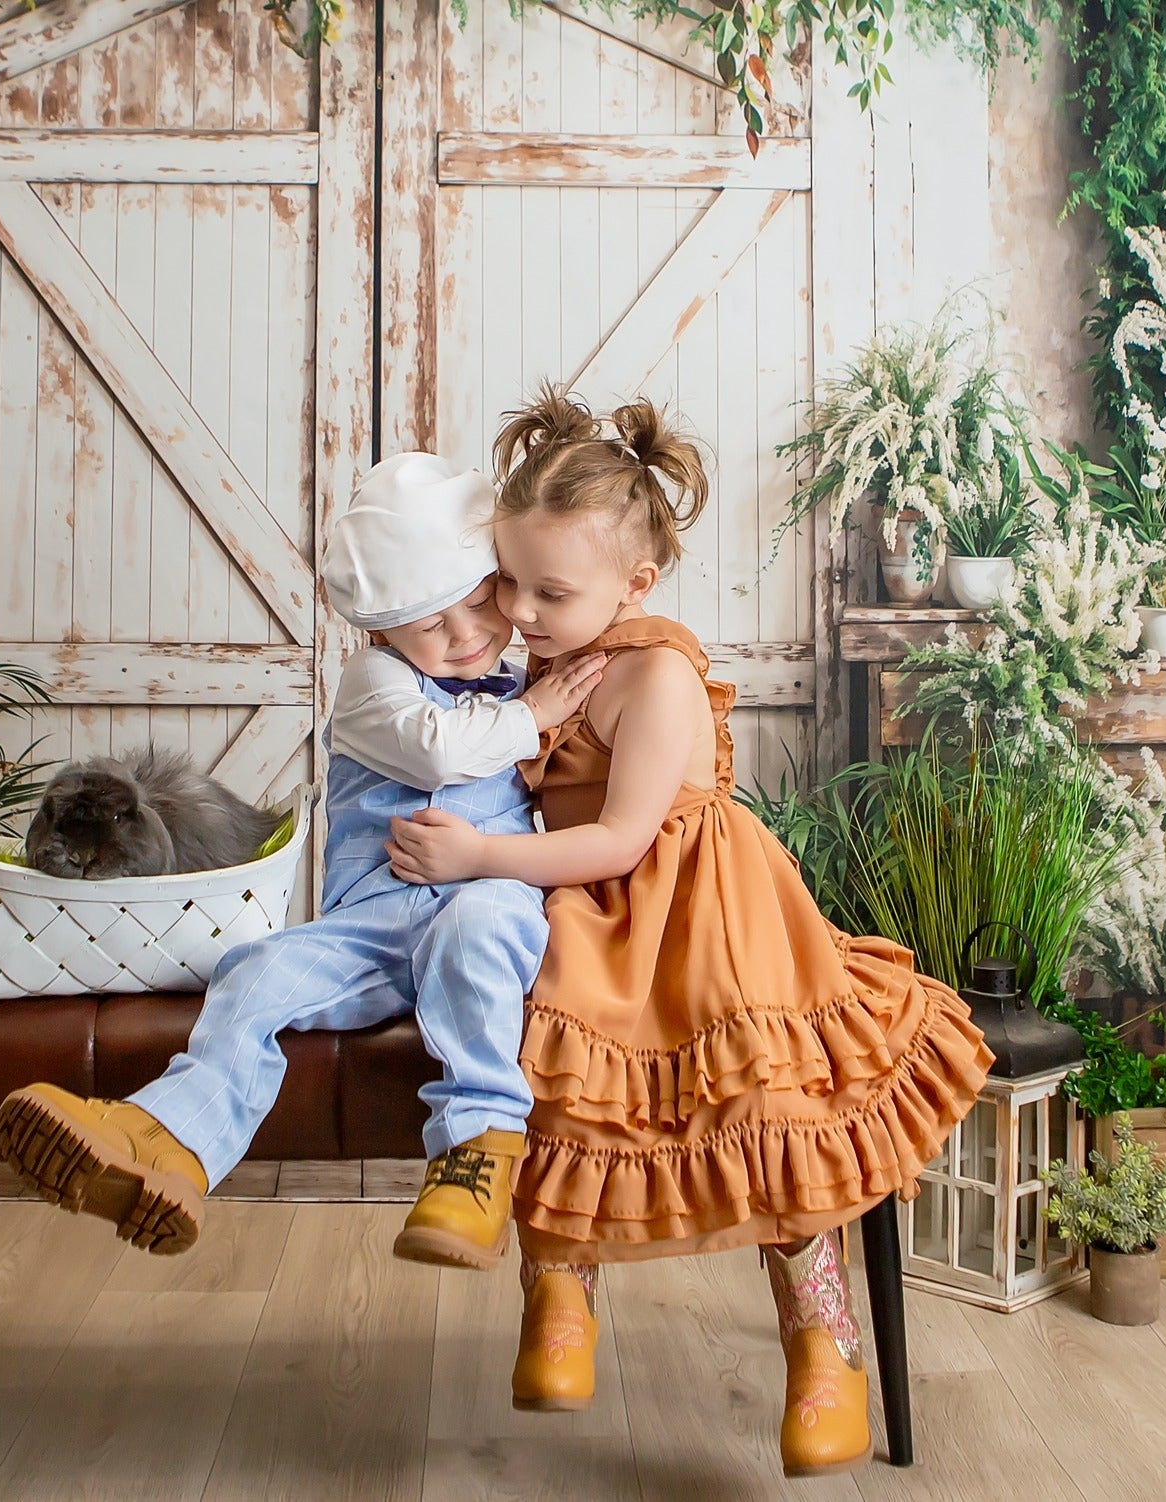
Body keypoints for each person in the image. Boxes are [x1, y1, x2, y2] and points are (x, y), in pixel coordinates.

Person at [384, 390, 992, 1477]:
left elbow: (621, 837)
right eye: (508, 579)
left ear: (635, 585)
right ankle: (560, 1300)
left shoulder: (653, 671)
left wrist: (474, 858)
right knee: (558, 1077)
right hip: (588, 913)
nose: (518, 608)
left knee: (767, 1103)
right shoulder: (534, 659)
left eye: (549, 590)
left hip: (706, 913)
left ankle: (822, 1349)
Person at [0, 452, 604, 1271]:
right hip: (372, 924)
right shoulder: (374, 683)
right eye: (433, 625)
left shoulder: (504, 674)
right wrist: (534, 714)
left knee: (482, 928)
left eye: (477, 602)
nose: (467, 636)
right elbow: (438, 750)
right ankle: (167, 1142)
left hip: (482, 899)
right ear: (378, 629)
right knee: (255, 970)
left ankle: (476, 1156)